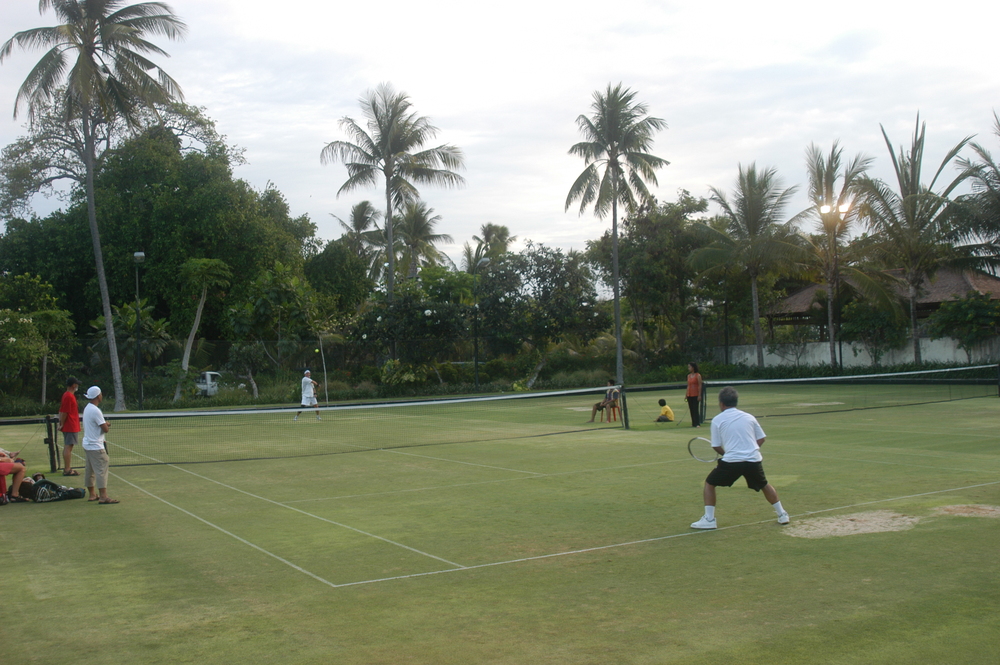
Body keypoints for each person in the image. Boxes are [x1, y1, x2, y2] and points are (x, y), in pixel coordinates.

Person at [691, 386, 788, 529]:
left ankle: (709, 520)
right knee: (764, 485)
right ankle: (782, 514)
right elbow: (761, 439)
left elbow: (715, 446)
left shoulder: (717, 420)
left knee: (709, 484)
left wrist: (728, 454)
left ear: (721, 404)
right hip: (753, 460)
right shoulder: (749, 417)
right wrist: (749, 450)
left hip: (732, 462)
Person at [82, 386, 118, 504]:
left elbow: (98, 424)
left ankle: (92, 494)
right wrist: (107, 424)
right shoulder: (96, 410)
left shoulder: (88, 408)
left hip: (88, 444)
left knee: (90, 470)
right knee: (101, 470)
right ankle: (103, 496)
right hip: (95, 446)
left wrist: (104, 423)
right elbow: (105, 429)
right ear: (98, 396)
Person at [58, 376, 82, 476]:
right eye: (76, 384)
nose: (77, 386)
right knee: (68, 446)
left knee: (69, 446)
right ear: (73, 385)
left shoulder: (67, 395)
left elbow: (61, 410)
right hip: (70, 425)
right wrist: (62, 424)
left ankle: (67, 468)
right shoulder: (68, 396)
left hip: (71, 425)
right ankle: (67, 469)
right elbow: (64, 412)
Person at [685, 362, 703, 427]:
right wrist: (686, 394)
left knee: (695, 409)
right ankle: (693, 423)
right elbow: (688, 385)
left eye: (689, 367)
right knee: (691, 409)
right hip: (690, 394)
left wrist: (699, 395)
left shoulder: (698, 375)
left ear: (693, 367)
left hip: (695, 394)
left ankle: (697, 423)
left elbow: (700, 385)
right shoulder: (689, 376)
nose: (688, 368)